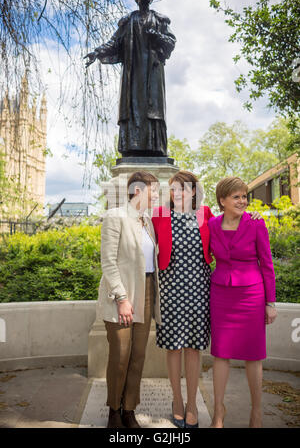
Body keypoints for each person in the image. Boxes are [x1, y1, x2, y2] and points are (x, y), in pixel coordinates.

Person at [208, 177, 277, 428]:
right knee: (220, 354)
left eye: (244, 196)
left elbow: (267, 265)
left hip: (251, 295)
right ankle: (218, 411)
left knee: (253, 355)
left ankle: (256, 412)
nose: (242, 201)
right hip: (221, 295)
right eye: (236, 197)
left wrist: (270, 302)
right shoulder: (212, 225)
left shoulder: (257, 224)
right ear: (222, 200)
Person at [97, 170, 161, 428]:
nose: (157, 195)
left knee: (138, 355)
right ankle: (114, 410)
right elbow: (108, 262)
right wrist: (122, 297)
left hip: (146, 291)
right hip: (121, 294)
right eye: (154, 190)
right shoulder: (115, 217)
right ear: (138, 191)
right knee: (120, 354)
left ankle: (129, 410)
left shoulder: (149, 221)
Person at [84, 0, 176, 157]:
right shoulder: (128, 22)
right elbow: (114, 43)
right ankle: (132, 146)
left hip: (153, 73)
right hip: (133, 75)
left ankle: (155, 148)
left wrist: (156, 36)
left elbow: (171, 42)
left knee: (153, 111)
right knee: (133, 109)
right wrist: (97, 52)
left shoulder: (160, 20)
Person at [152, 171, 214, 428]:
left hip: (200, 290)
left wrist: (253, 217)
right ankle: (177, 401)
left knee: (193, 347)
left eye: (183, 189)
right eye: (174, 189)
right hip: (170, 291)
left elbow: (231, 223)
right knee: (174, 347)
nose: (177, 193)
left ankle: (192, 403)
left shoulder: (205, 214)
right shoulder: (160, 215)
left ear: (194, 192)